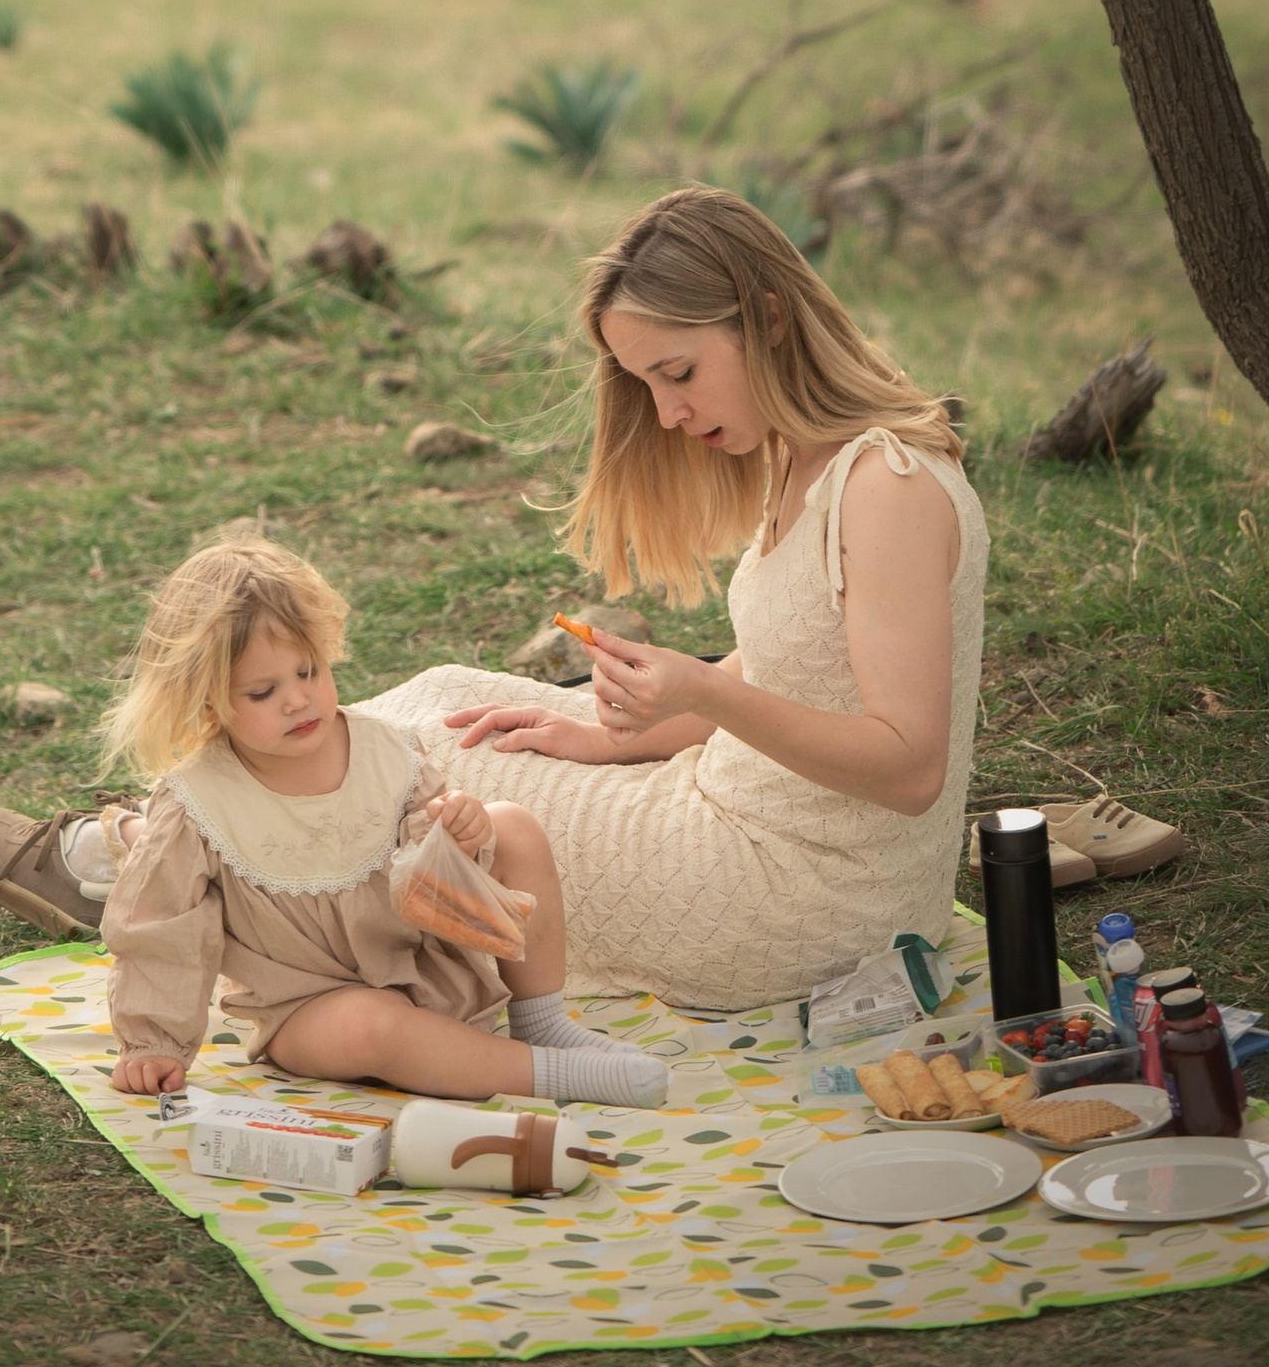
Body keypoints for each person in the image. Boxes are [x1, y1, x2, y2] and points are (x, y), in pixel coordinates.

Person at [351, 185, 988, 1010]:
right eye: (646, 381)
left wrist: (699, 686)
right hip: (738, 808)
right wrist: (613, 735)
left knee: (404, 768)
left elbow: (910, 767)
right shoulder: (806, 455)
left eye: (679, 372)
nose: (668, 412)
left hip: (798, 900)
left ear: (769, 318)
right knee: (442, 699)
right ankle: (200, 829)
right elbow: (791, 675)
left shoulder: (884, 489)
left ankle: (185, 846)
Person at [80, 531, 668, 1107]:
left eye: (308, 672)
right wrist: (153, 1042)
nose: (296, 699)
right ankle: (551, 1074)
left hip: (421, 964)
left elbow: (431, 873)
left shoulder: (383, 749)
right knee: (375, 1026)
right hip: (311, 1006)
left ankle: (541, 1021)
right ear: (208, 703)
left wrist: (460, 831)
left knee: (512, 823)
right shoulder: (199, 802)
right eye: (262, 691)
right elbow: (161, 926)